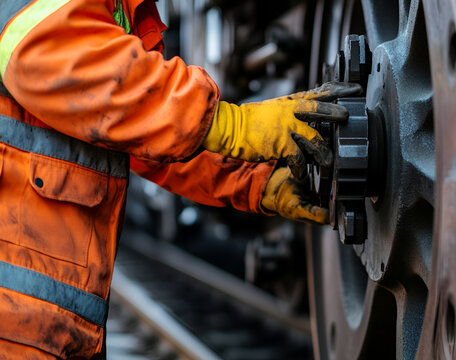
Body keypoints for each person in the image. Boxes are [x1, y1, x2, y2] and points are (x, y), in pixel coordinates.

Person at [0, 0, 360, 358]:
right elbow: (54, 52)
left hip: (42, 325)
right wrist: (233, 126)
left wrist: (257, 182)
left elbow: (136, 130)